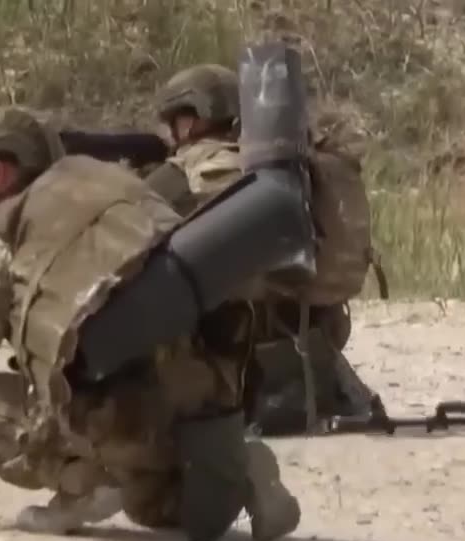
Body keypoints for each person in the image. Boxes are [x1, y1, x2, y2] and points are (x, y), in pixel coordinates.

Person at [0, 104, 300, 541]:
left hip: (118, 416)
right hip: (206, 402)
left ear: (2, 172)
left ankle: (78, 483)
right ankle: (242, 475)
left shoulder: (0, 244)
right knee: (148, 506)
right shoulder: (114, 184)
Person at [146, 63, 380, 435]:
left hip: (236, 370)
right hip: (314, 352)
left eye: (175, 123)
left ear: (189, 121)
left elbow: (129, 234)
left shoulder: (188, 172)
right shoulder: (292, 165)